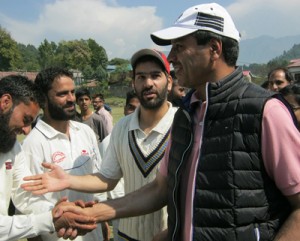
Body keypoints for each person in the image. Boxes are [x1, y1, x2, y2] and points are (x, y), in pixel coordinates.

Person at [23, 3, 300, 240]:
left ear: (214, 49)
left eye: (180, 47)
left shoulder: (264, 111)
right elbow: (161, 188)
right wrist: (91, 213)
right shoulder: (187, 117)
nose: (172, 58)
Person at [23, 49, 177, 241]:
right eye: (141, 77)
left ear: (169, 82)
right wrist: (68, 180)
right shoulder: (122, 127)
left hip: (170, 235)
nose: (148, 83)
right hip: (125, 235)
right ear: (133, 83)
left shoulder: (184, 123)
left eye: (156, 75)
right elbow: (107, 178)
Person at [0, 75, 96, 241]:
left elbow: (25, 194)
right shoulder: (27, 143)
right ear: (5, 102)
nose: (25, 130)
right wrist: (50, 220)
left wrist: (58, 210)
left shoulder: (12, 147)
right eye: (25, 119)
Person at [22, 67, 105, 241]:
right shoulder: (33, 144)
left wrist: (103, 228)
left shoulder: (85, 132)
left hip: (93, 233)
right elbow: (28, 208)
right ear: (43, 99)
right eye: (62, 94)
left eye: (72, 92)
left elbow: (98, 181)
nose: (71, 99)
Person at [99, 89, 140, 239]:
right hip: (121, 209)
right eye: (131, 107)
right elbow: (106, 177)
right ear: (124, 108)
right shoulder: (109, 141)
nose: (133, 113)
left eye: (138, 108)